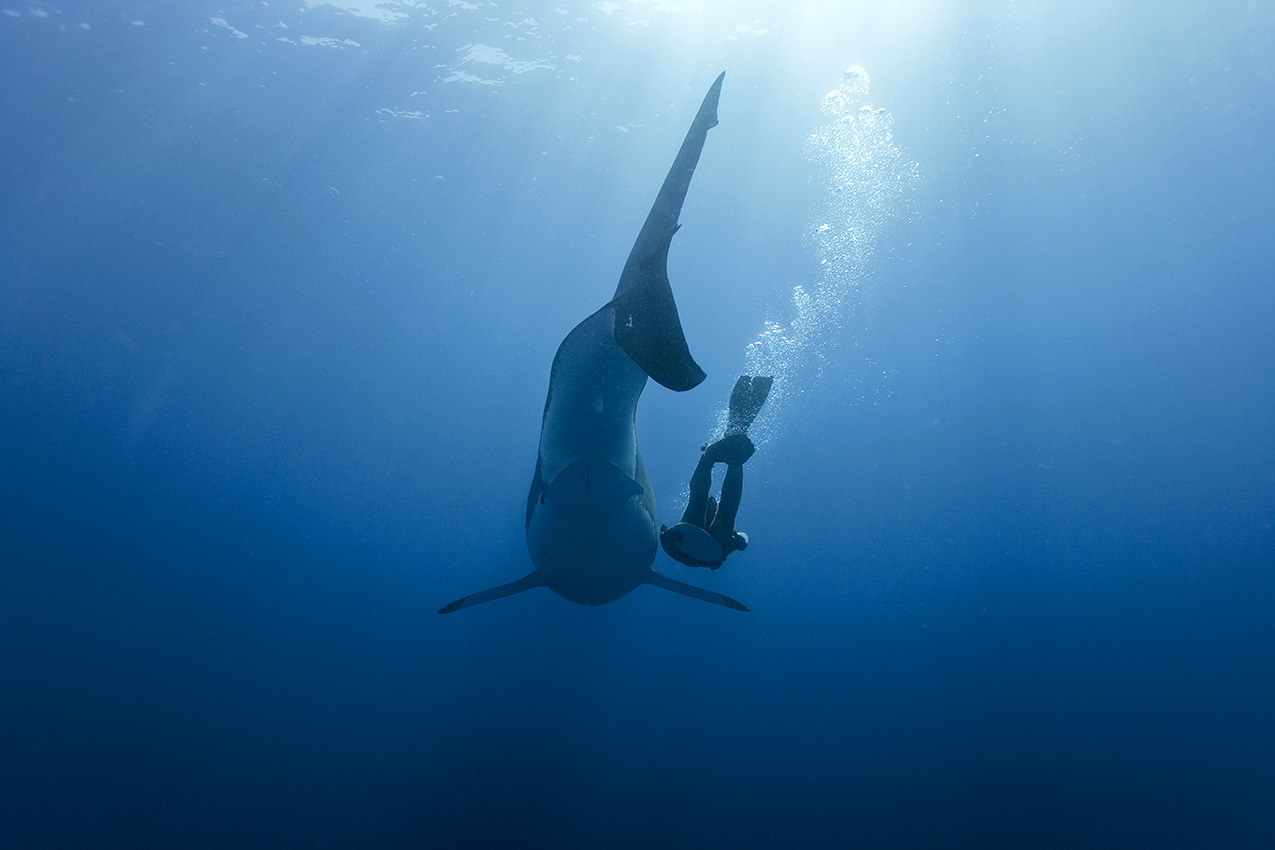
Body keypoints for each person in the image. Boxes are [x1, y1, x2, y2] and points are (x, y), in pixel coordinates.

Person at [660, 375, 774, 569]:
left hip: (693, 546)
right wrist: (737, 543)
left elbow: (665, 535)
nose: (713, 505)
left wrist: (667, 539)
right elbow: (742, 540)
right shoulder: (723, 533)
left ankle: (713, 459)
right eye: (713, 504)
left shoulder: (697, 525)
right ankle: (731, 460)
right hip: (710, 550)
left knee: (701, 500)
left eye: (711, 504)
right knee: (725, 509)